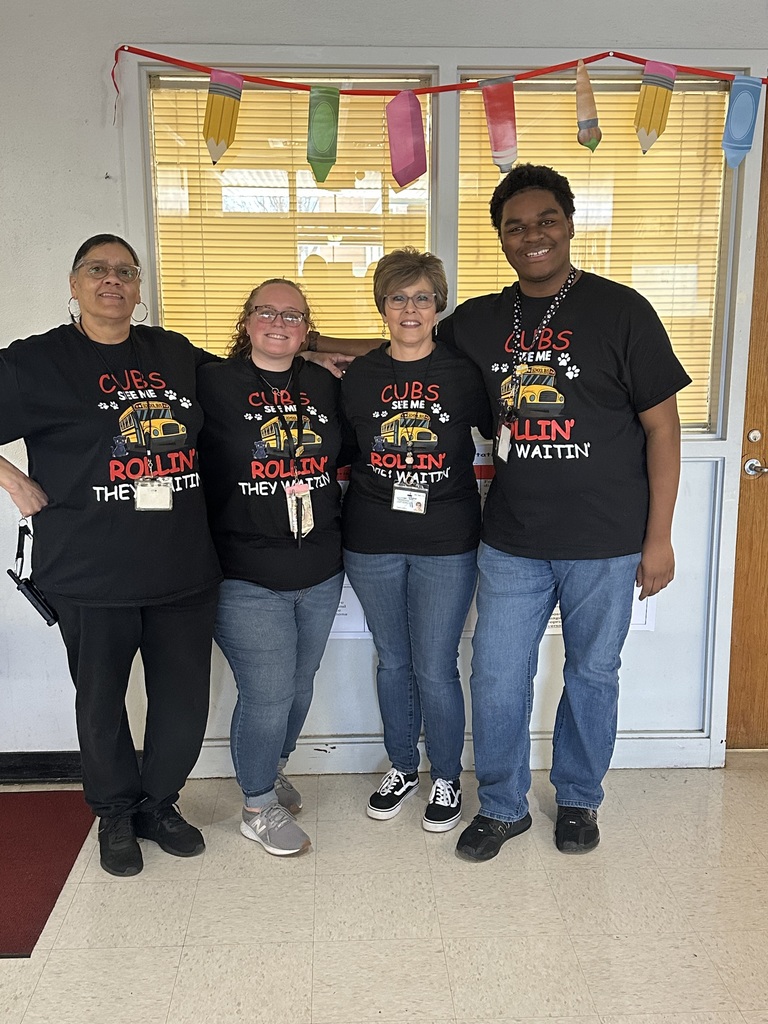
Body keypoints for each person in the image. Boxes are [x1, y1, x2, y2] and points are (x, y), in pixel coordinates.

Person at [434, 164, 691, 860]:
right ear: (502, 239)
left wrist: (659, 539)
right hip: (513, 539)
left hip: (607, 540)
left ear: (570, 223)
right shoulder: (482, 320)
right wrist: (305, 348)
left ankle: (579, 799)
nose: (532, 236)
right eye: (515, 227)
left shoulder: (621, 310)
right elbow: (408, 352)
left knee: (592, 674)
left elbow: (663, 428)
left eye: (545, 219)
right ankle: (505, 804)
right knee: (495, 673)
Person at [0, 234, 222, 877]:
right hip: (88, 568)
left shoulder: (171, 352)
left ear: (138, 287)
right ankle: (116, 814)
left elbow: (248, 374)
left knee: (182, 700)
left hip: (182, 564)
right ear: (73, 284)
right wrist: (14, 481)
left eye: (125, 271)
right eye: (97, 270)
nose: (112, 280)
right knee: (101, 700)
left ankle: (161, 804)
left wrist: (349, 355)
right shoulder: (36, 362)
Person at [341, 248, 493, 832]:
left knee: (435, 665)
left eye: (422, 297)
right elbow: (347, 453)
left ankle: (448, 776)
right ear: (383, 307)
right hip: (372, 539)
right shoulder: (359, 376)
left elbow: (507, 429)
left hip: (446, 540)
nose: (410, 308)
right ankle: (403, 765)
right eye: (399, 297)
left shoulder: (462, 373)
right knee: (393, 660)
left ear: (439, 306)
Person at [197, 279, 345, 857]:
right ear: (247, 320)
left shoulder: (325, 384)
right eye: (266, 312)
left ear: (307, 327)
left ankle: (272, 767)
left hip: (321, 566)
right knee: (267, 693)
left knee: (299, 686)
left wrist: (316, 357)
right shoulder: (210, 381)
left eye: (293, 315)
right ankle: (257, 805)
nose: (279, 322)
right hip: (245, 573)